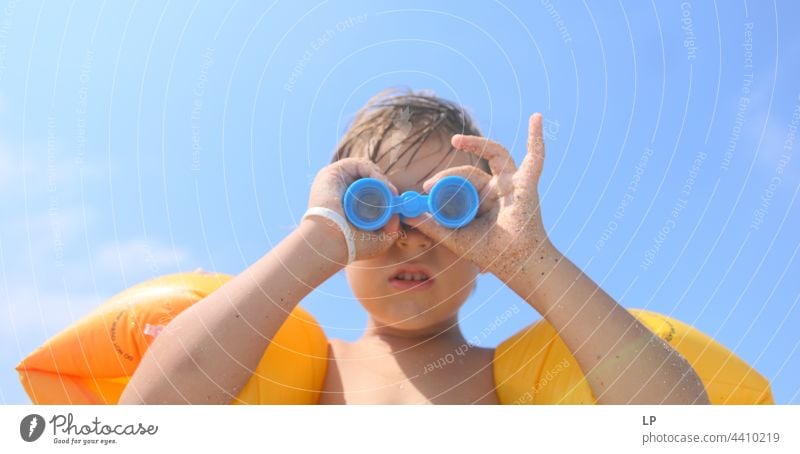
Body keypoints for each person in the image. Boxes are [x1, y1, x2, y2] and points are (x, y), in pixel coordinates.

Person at [119, 88, 709, 405]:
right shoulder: (312, 372)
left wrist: (530, 262)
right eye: (374, 207)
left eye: (448, 209)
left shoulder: (503, 383)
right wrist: (317, 239)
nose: (411, 237)